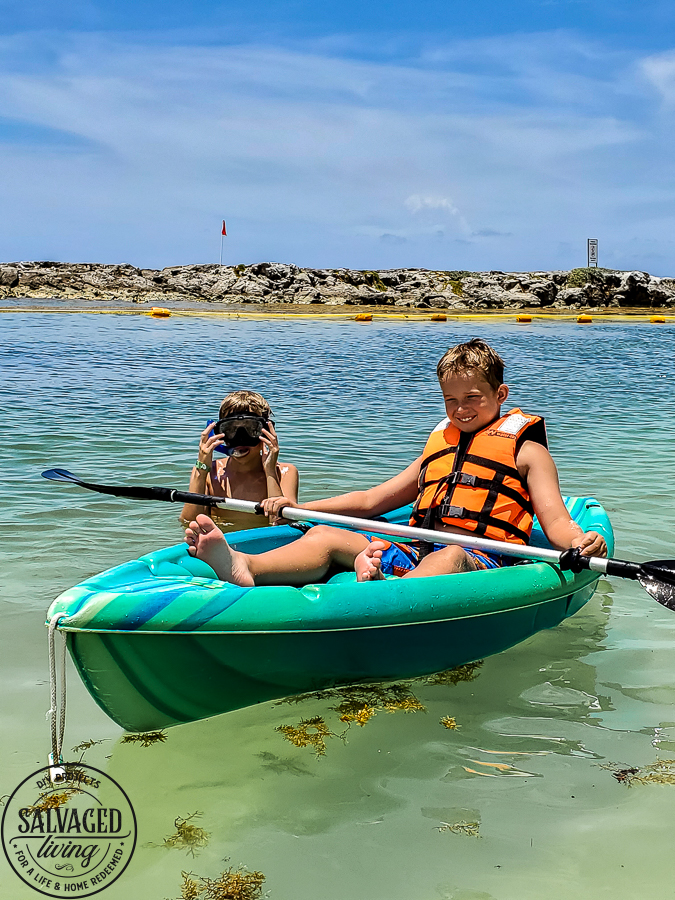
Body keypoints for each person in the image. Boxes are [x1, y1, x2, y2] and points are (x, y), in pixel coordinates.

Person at [184, 339, 607, 584]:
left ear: (501, 395)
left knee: (450, 556)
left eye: (472, 399)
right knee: (327, 537)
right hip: (417, 546)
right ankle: (244, 565)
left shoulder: (527, 450)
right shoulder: (438, 445)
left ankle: (386, 593)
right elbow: (371, 502)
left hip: (481, 557)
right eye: (450, 400)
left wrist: (581, 542)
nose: (460, 410)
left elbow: (556, 525)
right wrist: (298, 509)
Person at [180, 390, 299, 526]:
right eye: (231, 430)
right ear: (219, 433)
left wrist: (270, 472)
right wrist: (201, 471)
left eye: (251, 429)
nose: (240, 438)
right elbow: (189, 522)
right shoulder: (209, 473)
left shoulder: (284, 473)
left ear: (266, 432)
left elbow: (280, 525)